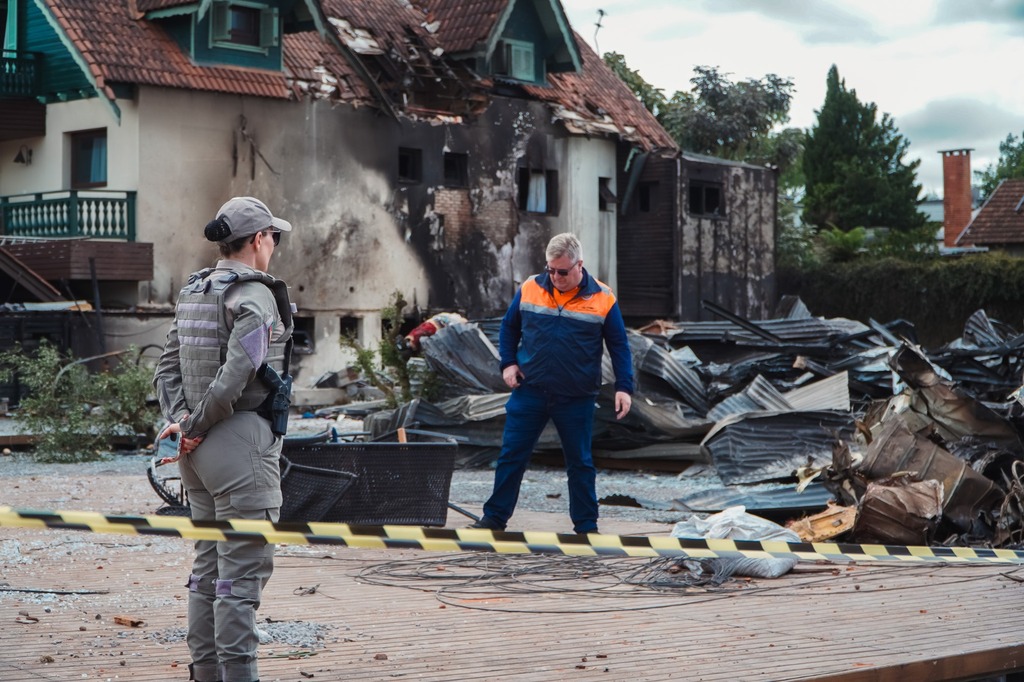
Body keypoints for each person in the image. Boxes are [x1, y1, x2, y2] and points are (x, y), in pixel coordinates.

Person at [153, 196, 294, 682]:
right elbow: (239, 374)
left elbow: (167, 367)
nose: (274, 245)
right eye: (273, 236)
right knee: (239, 581)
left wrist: (181, 425)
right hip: (239, 449)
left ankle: (205, 675)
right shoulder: (254, 297)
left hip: (198, 456)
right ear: (258, 240)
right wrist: (193, 426)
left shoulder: (196, 290)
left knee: (207, 575)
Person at [472, 232, 633, 534]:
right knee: (511, 456)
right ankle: (494, 519)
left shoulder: (603, 298)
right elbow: (508, 328)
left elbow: (619, 346)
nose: (556, 277)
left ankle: (586, 526)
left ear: (579, 265)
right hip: (530, 391)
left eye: (562, 271)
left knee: (580, 462)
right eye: (551, 270)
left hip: (576, 396)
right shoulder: (531, 288)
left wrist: (624, 387)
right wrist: (508, 364)